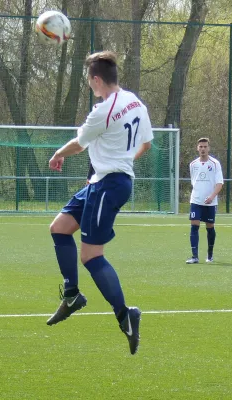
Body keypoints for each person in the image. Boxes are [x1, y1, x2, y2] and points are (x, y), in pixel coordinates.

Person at [46, 51, 153, 355]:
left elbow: (79, 144)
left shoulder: (102, 112)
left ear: (95, 79)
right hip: (107, 182)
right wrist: (121, 162)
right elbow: (146, 142)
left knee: (92, 256)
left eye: (88, 80)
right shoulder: (135, 102)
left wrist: (57, 155)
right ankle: (71, 294)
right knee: (60, 228)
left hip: (108, 185)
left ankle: (125, 315)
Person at [186, 138, 224, 264]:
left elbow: (219, 183)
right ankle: (194, 256)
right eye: (200, 146)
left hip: (210, 203)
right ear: (197, 148)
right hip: (196, 201)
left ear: (208, 148)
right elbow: (194, 182)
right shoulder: (193, 164)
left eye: (205, 146)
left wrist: (212, 196)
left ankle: (210, 254)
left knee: (210, 227)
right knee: (194, 226)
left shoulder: (215, 164)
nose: (203, 149)